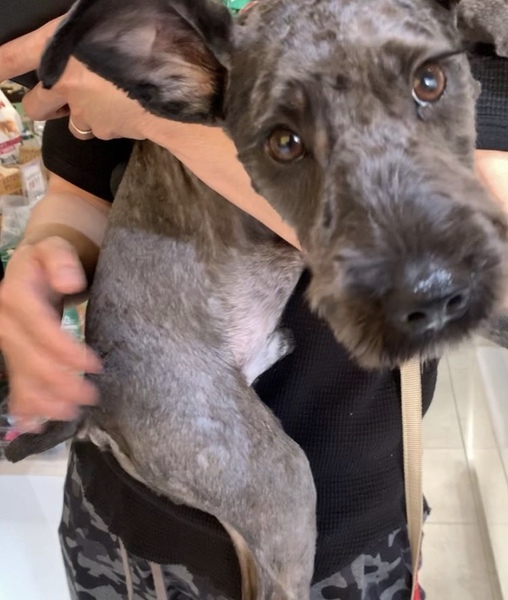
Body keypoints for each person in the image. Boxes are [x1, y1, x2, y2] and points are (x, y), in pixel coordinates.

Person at [1, 13, 508, 600]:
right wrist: (45, 255)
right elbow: (83, 189)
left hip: (336, 537)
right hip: (115, 515)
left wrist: (159, 116)